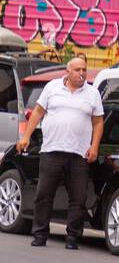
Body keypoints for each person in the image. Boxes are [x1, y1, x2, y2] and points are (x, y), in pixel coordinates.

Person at [16, 55, 104, 250]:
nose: (82, 74)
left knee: (78, 198)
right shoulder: (52, 87)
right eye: (78, 70)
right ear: (68, 71)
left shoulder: (92, 94)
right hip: (52, 150)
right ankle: (39, 234)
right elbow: (38, 112)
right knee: (44, 194)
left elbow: (98, 122)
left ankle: (73, 237)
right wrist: (26, 137)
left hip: (79, 153)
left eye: (84, 70)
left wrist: (94, 147)